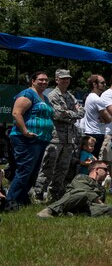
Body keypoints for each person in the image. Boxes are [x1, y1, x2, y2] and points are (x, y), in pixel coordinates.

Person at [4, 71, 54, 212]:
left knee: (32, 173)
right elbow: (16, 113)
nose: (44, 82)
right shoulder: (27, 94)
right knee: (24, 171)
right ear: (33, 81)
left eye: (46, 80)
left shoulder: (44, 97)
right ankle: (10, 204)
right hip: (26, 139)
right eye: (41, 80)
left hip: (40, 140)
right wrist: (25, 131)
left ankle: (22, 200)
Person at [34, 69, 85, 202]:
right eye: (63, 78)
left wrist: (68, 114)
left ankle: (55, 195)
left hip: (69, 139)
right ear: (57, 80)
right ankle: (38, 194)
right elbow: (57, 114)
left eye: (68, 78)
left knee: (63, 169)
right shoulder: (52, 95)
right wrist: (72, 115)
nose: (66, 81)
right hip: (55, 138)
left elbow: (81, 112)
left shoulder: (70, 96)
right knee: (48, 167)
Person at [36, 160, 112, 218]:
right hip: (74, 202)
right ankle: (50, 210)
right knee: (83, 194)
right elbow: (86, 191)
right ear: (96, 170)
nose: (108, 173)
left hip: (87, 207)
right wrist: (100, 203)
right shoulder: (82, 177)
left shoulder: (102, 189)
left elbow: (99, 205)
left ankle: (73, 214)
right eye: (105, 170)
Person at [80, 74, 111, 159]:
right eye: (102, 83)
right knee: (93, 160)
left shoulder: (90, 97)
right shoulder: (97, 99)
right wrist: (106, 117)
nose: (104, 84)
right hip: (96, 133)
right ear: (94, 84)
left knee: (88, 159)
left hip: (91, 132)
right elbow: (108, 119)